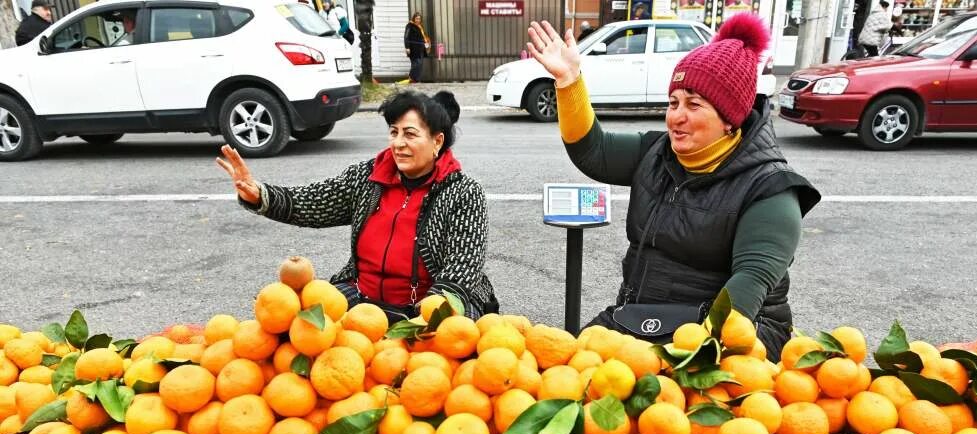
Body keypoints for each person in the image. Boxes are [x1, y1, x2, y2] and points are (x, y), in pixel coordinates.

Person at [526, 14, 819, 361]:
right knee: (572, 367)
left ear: (730, 119)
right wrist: (569, 81)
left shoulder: (771, 189)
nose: (676, 117)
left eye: (694, 105)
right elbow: (594, 151)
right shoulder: (656, 152)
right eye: (673, 102)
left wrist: (682, 363)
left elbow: (745, 292)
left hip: (735, 332)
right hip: (642, 316)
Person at [215, 91, 498, 322]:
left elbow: (461, 270)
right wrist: (259, 195)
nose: (398, 143)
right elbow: (313, 202)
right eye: (393, 132)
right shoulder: (368, 177)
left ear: (437, 141)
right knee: (302, 325)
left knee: (447, 349)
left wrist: (422, 319)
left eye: (410, 134)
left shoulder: (463, 192)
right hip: (362, 295)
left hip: (428, 303)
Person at [405, 12, 431, 83]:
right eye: (416, 18)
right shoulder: (410, 25)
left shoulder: (420, 26)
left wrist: (427, 45)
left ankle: (417, 80)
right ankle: (411, 78)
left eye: (419, 19)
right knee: (416, 64)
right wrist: (407, 47)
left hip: (421, 49)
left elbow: (424, 37)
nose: (418, 20)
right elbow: (406, 37)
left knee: (420, 65)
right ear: (414, 18)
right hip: (413, 49)